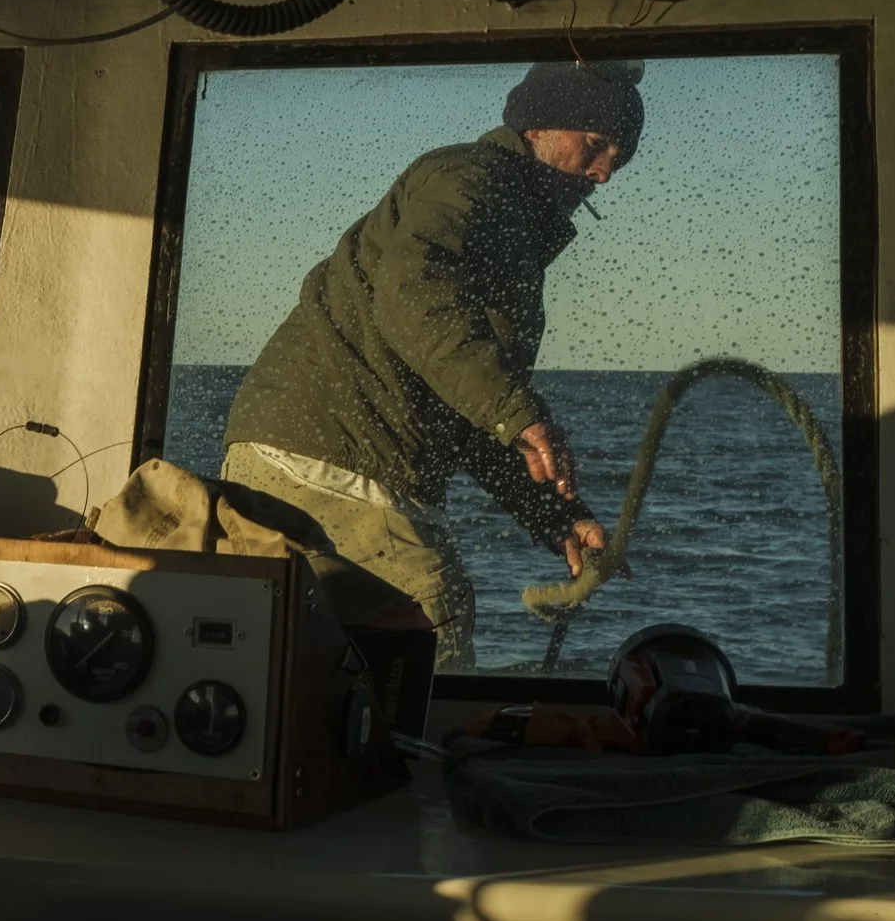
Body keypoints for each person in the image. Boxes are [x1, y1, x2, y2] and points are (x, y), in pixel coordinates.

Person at [217, 59, 645, 669]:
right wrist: (517, 412)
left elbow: (465, 402)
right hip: (327, 452)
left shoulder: (510, 215)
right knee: (427, 617)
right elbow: (414, 292)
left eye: (618, 159)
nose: (604, 174)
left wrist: (557, 517)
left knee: (334, 658)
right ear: (539, 128)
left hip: (312, 452)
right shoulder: (473, 179)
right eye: (595, 146)